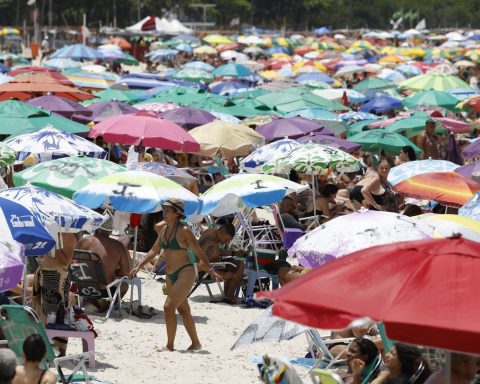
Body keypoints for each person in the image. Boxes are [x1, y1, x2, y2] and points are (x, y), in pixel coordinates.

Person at [129, 198, 222, 352]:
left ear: (177, 213)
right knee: (184, 310)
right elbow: (154, 250)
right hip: (170, 274)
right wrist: (138, 266)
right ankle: (196, 343)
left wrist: (210, 270)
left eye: (167, 211)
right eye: (164, 210)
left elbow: (199, 251)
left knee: (168, 307)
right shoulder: (165, 229)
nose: (164, 213)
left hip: (185, 272)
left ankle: (170, 346)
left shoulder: (185, 231)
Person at [32, 233, 77, 356]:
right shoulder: (46, 231)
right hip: (45, 275)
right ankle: (44, 349)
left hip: (58, 277)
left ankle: (60, 350)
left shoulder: (67, 235)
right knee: (42, 315)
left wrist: (50, 247)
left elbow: (66, 260)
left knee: (57, 316)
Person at [76, 218, 132, 312]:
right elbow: (125, 273)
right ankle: (104, 309)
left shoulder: (83, 241)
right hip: (105, 291)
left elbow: (74, 263)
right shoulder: (118, 246)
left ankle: (92, 302)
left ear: (96, 228)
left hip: (83, 288)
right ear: (110, 231)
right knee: (124, 285)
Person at [198, 223, 245, 304]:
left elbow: (216, 251)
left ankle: (227, 295)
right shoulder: (211, 242)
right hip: (204, 273)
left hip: (208, 268)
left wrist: (234, 253)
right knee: (240, 265)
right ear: (222, 232)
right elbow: (201, 265)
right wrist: (222, 274)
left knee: (233, 262)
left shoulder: (210, 232)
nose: (227, 242)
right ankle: (229, 297)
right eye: (227, 239)